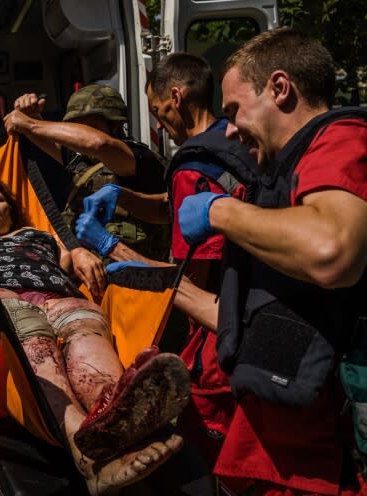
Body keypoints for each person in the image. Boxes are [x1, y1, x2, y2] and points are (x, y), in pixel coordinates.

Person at [176, 28, 367, 495]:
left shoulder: (344, 143)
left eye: (234, 110)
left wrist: (219, 211)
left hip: (340, 463)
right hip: (290, 455)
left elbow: (331, 252)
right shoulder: (292, 170)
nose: (228, 128)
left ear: (280, 87)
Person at [0, 173, 190, 496]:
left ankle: (116, 416)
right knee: (32, 336)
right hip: (0, 301)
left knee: (85, 330)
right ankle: (87, 457)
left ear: (12, 207)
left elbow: (68, 255)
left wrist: (78, 252)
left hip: (58, 296)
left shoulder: (39, 234)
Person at [77, 54, 250, 466]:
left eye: (157, 110)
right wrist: (124, 197)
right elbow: (176, 207)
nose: (157, 122)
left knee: (204, 459)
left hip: (219, 341)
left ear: (176, 96)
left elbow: (190, 286)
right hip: (243, 314)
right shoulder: (231, 144)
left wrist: (108, 247)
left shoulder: (193, 165)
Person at [5, 84, 170, 262]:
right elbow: (48, 137)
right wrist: (30, 115)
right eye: (76, 126)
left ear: (115, 124)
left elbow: (98, 144)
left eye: (90, 126)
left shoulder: (136, 158)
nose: (80, 133)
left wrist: (30, 124)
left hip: (135, 278)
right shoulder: (81, 160)